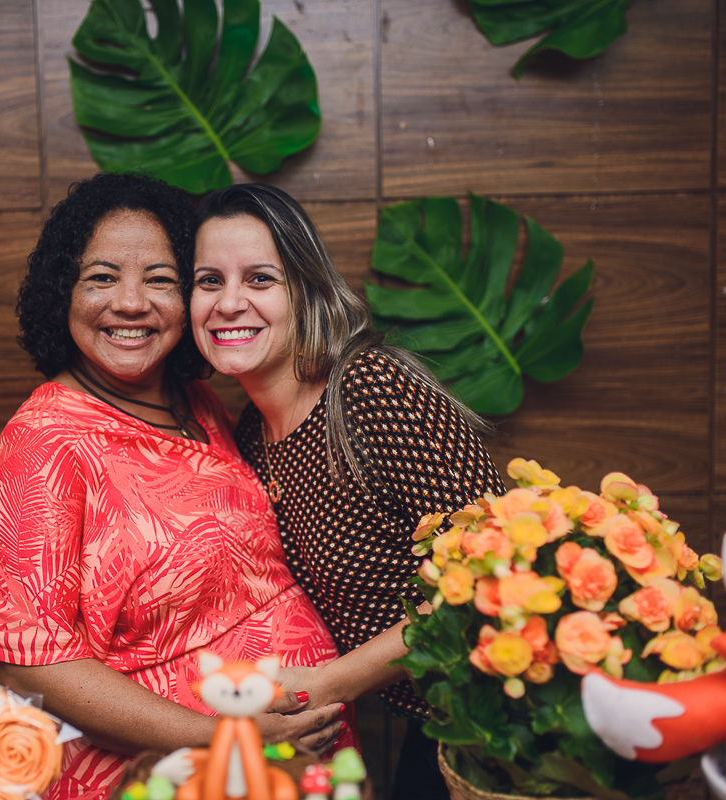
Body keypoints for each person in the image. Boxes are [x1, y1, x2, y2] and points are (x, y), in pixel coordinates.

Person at [0, 173, 352, 800]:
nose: (132, 303)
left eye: (162, 280)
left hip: (288, 755)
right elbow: (26, 659)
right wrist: (219, 735)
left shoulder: (197, 400)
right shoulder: (42, 442)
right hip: (164, 772)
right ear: (61, 292)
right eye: (102, 277)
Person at [190, 183, 506, 800]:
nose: (229, 303)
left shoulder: (369, 388)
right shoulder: (251, 433)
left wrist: (326, 684)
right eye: (208, 281)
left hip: (505, 707)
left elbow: (494, 573)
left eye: (259, 279)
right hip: (432, 716)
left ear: (304, 290)